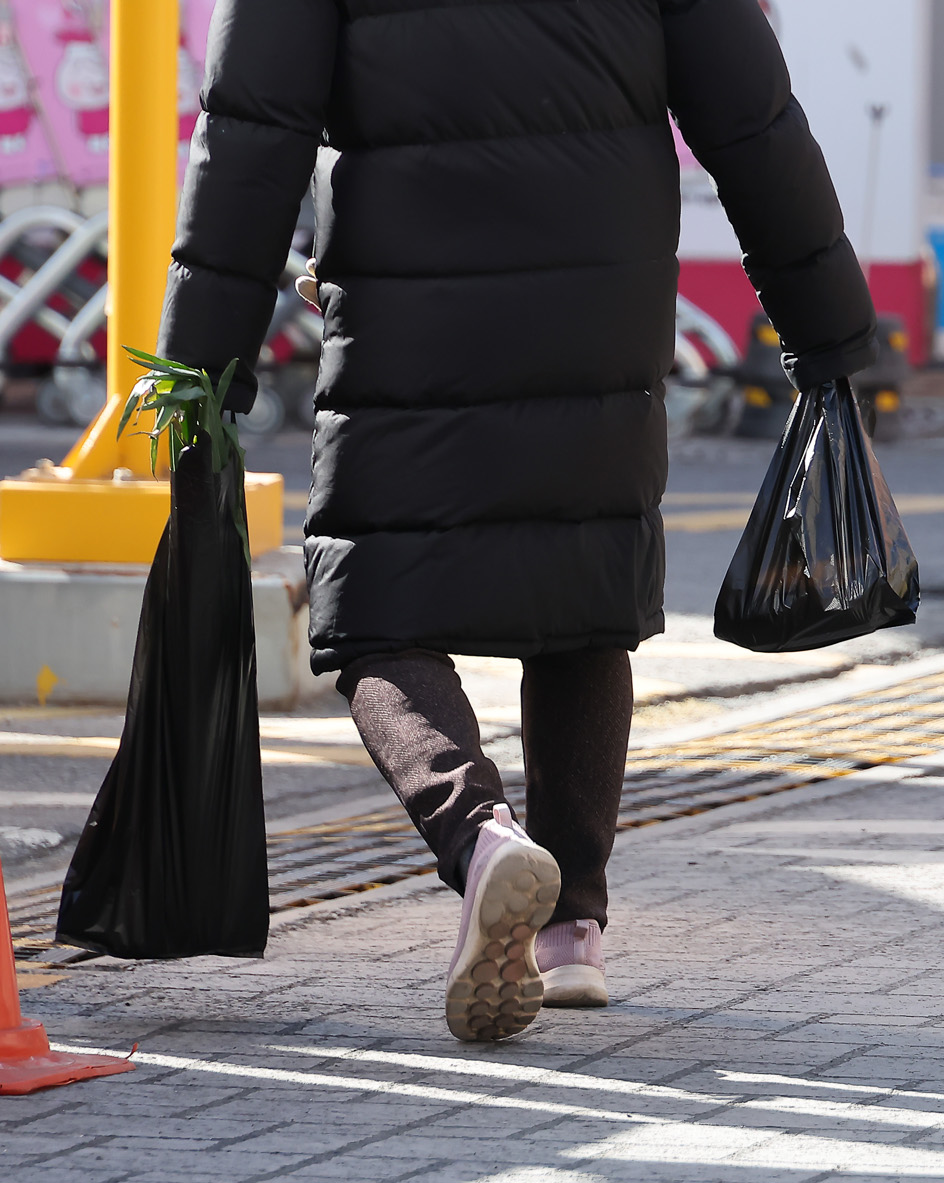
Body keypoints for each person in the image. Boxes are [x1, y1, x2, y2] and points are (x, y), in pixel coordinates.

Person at [155, 0, 875, 1041]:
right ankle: (572, 929)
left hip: (409, 301)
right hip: (602, 289)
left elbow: (252, 130)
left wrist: (201, 361)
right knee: (580, 586)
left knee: (373, 605)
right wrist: (827, 330)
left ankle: (481, 835)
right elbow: (751, 117)